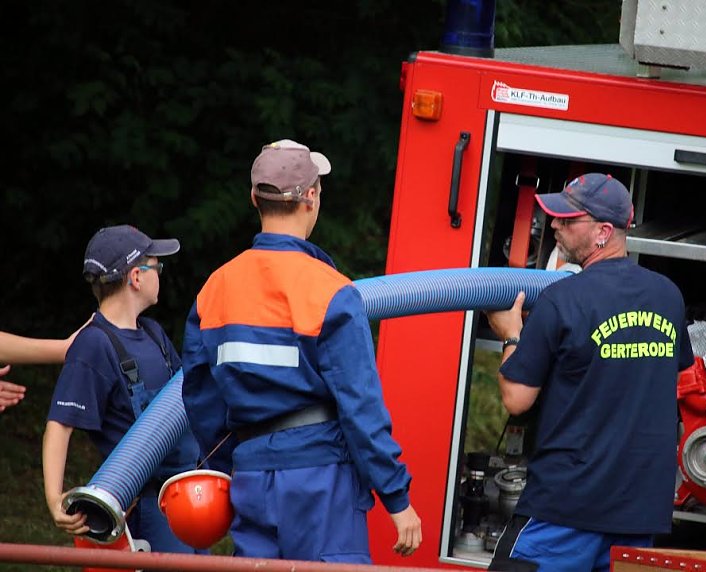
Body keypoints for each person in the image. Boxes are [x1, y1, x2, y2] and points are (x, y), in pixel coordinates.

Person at [182, 139, 422, 563]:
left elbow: (200, 397)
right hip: (320, 478)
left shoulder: (214, 289)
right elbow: (360, 406)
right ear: (311, 197)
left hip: (251, 477)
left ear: (254, 198)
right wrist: (396, 498)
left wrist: (226, 467)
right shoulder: (331, 290)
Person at [485, 173, 694, 572]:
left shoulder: (562, 299)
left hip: (565, 512)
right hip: (636, 515)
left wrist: (512, 335)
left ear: (603, 231)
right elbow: (680, 384)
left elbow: (517, 399)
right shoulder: (668, 295)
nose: (556, 226)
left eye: (568, 219)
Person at [42, 225, 203, 554]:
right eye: (158, 267)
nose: (161, 275)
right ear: (136, 277)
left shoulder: (154, 334)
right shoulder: (93, 344)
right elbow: (60, 424)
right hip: (145, 507)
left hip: (185, 496)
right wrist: (54, 498)